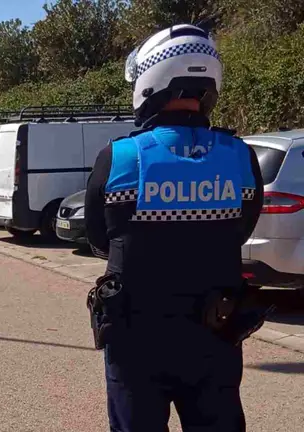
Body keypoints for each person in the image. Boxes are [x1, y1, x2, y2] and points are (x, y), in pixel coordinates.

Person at [84, 24, 265, 431]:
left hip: (136, 338)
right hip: (215, 333)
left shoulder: (119, 157)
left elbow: (97, 238)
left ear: (151, 81)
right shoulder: (241, 156)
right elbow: (243, 229)